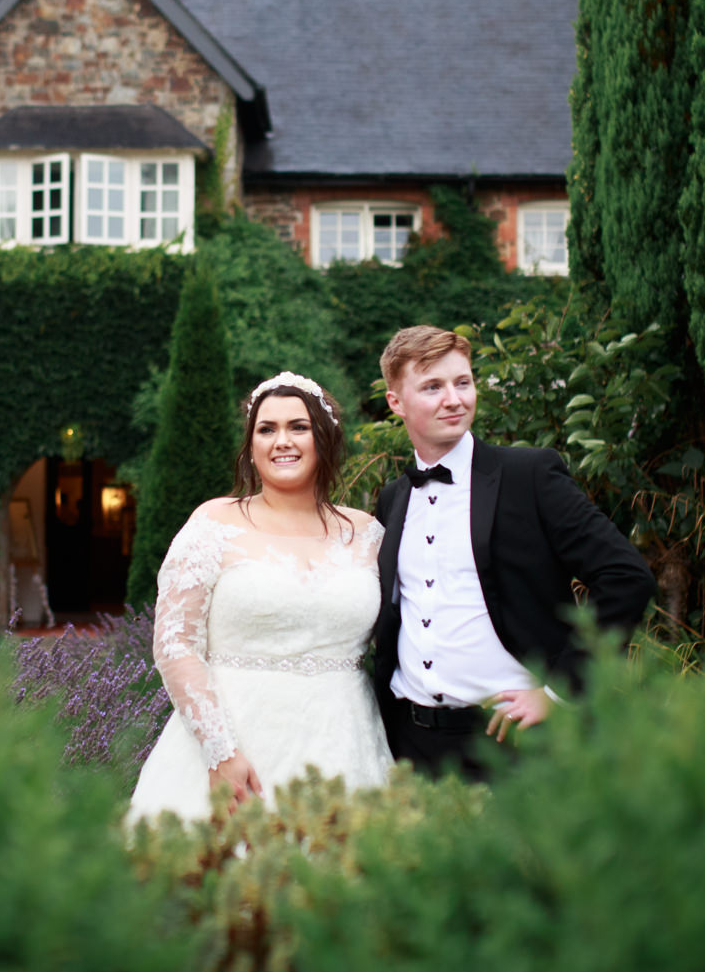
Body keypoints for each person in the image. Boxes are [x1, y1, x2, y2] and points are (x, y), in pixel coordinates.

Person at [372, 325, 655, 780]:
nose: (454, 399)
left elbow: (626, 578)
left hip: (513, 742)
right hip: (412, 740)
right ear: (396, 402)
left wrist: (561, 690)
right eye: (433, 387)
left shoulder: (530, 476)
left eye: (463, 382)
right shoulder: (393, 499)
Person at [126, 372, 394, 824]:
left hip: (345, 744)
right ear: (251, 446)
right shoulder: (214, 522)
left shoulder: (367, 533)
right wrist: (220, 753)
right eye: (266, 429)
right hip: (237, 747)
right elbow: (175, 645)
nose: (281, 441)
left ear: (323, 439)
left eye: (298, 427)